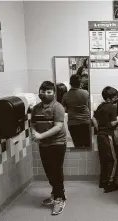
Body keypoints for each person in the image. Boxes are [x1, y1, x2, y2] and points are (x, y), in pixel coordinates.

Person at [31, 81, 67, 215]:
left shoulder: (58, 107)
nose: (45, 94)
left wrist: (40, 136)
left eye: (49, 92)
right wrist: (34, 132)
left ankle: (60, 198)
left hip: (57, 143)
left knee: (56, 171)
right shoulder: (36, 108)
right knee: (48, 170)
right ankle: (55, 193)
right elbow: (33, 123)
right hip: (44, 144)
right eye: (43, 91)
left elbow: (58, 127)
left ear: (54, 93)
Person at [92, 86, 118, 193]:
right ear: (111, 97)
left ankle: (103, 182)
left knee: (104, 160)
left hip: (100, 135)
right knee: (113, 160)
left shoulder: (101, 106)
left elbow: (94, 118)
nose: (117, 98)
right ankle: (110, 183)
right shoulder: (112, 107)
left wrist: (99, 128)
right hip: (107, 136)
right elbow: (112, 123)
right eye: (116, 96)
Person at [62, 74, 91, 148]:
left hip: (73, 123)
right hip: (85, 122)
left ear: (70, 84)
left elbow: (64, 110)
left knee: (77, 145)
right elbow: (88, 106)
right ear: (80, 83)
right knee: (87, 145)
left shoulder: (65, 95)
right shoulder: (86, 93)